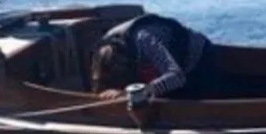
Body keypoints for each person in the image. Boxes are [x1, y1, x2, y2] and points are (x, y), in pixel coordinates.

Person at [90, 13, 219, 100]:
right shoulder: (104, 44)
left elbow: (177, 76)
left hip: (199, 60)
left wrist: (130, 94)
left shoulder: (144, 39)